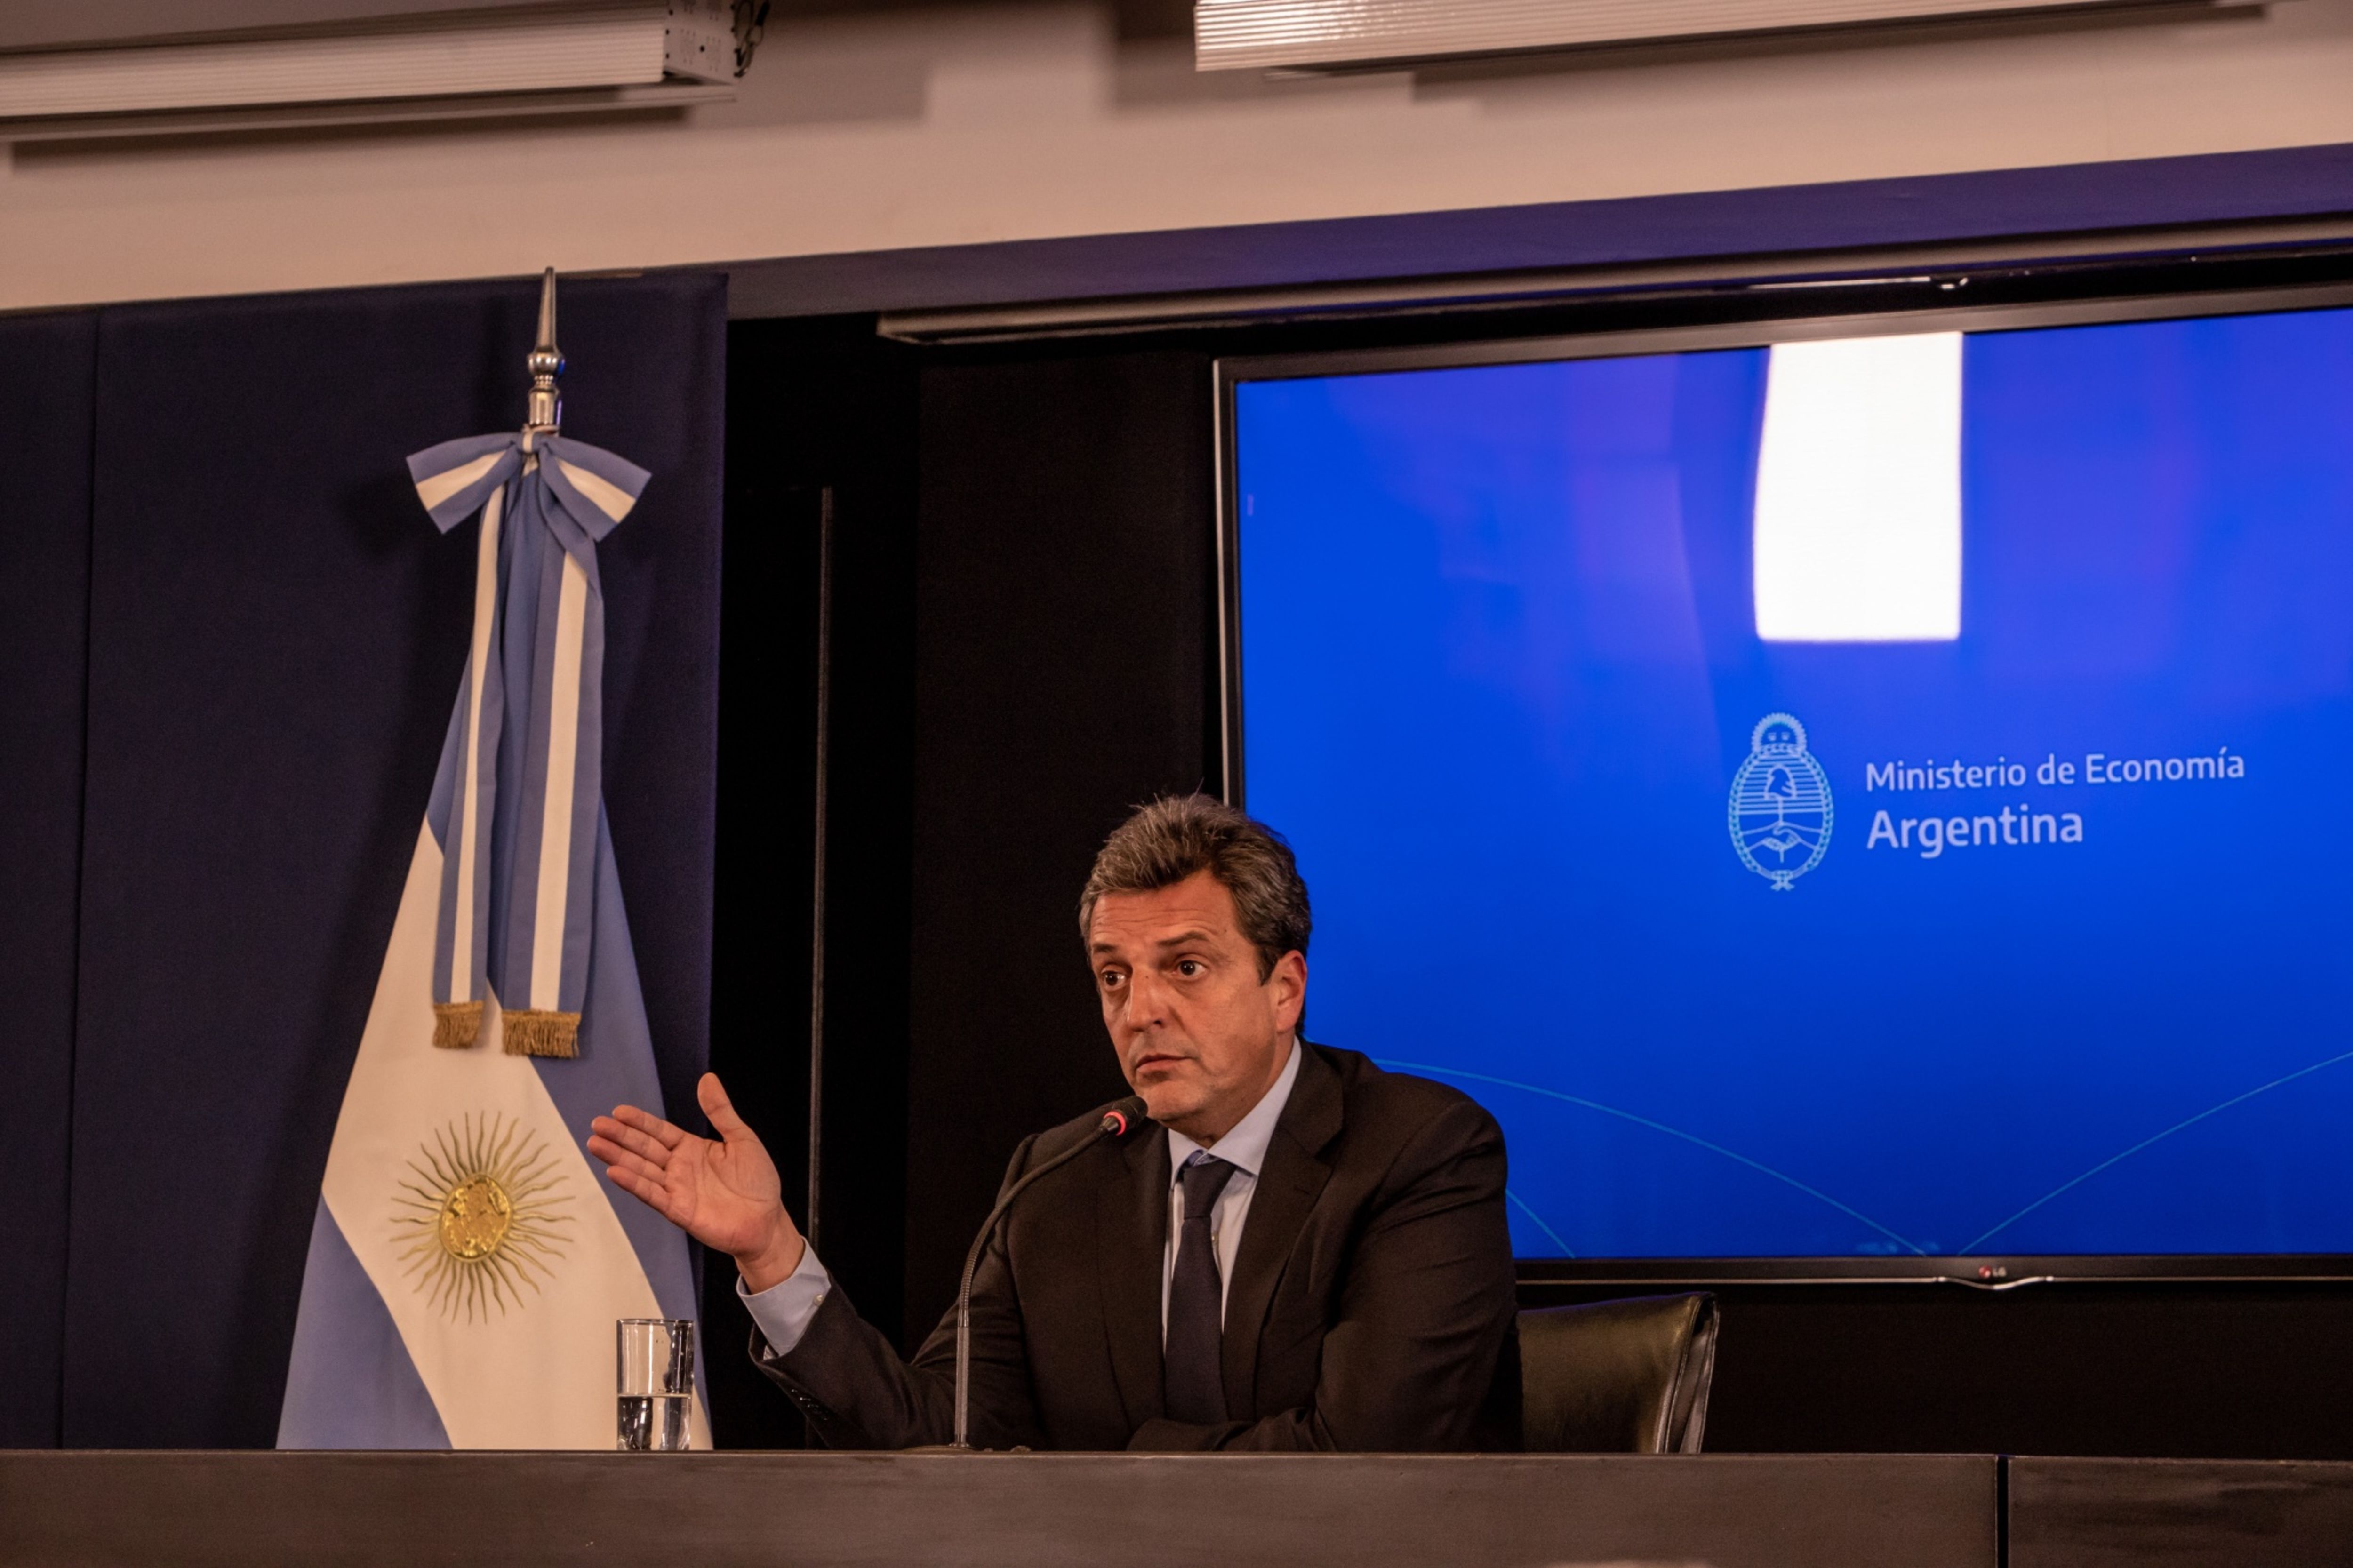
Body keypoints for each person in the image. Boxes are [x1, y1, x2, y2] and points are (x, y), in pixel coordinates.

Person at [588, 794, 1520, 1450]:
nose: (1141, 1008)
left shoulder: (1418, 1152)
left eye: (1184, 967)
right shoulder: (1059, 1178)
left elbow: (1363, 1458)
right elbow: (937, 1435)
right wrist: (774, 1255)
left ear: (1285, 989)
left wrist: (1119, 1468)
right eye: (1114, 976)